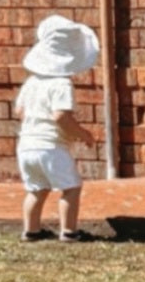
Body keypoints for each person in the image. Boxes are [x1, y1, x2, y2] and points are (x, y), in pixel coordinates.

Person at [15, 15, 99, 242]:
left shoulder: (31, 83)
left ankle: (31, 231)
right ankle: (70, 232)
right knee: (71, 188)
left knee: (36, 190)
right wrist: (82, 134)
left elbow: (20, 112)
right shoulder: (61, 84)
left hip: (26, 146)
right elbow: (61, 116)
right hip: (51, 147)